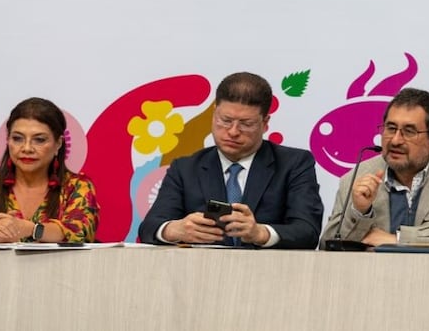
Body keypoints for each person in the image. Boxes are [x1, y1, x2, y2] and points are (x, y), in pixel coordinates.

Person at [139, 72, 325, 249]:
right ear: (214, 114)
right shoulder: (185, 168)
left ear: (265, 123)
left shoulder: (294, 164)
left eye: (246, 124)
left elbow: (307, 231)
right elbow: (149, 228)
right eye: (225, 120)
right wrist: (173, 230)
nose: (233, 131)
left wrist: (261, 233)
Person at [321, 87, 429, 246]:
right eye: (390, 128)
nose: (395, 140)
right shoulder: (357, 177)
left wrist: (399, 239)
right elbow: (327, 245)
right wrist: (359, 212)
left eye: (409, 131)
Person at [0, 97, 99, 243]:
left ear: (58, 143)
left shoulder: (77, 186)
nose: (26, 148)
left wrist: (30, 229)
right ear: (8, 140)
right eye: (18, 138)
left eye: (39, 140)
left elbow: (79, 232)